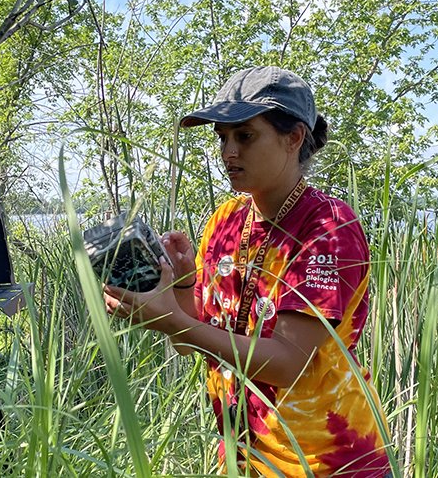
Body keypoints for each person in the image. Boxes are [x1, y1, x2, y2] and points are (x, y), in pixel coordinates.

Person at [102, 66, 391, 477]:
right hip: (242, 455)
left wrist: (169, 321)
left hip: (322, 459)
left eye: (245, 136)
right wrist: (179, 285)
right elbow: (194, 342)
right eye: (222, 138)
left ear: (293, 138)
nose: (228, 152)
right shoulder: (226, 219)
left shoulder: (327, 228)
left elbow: (290, 362)